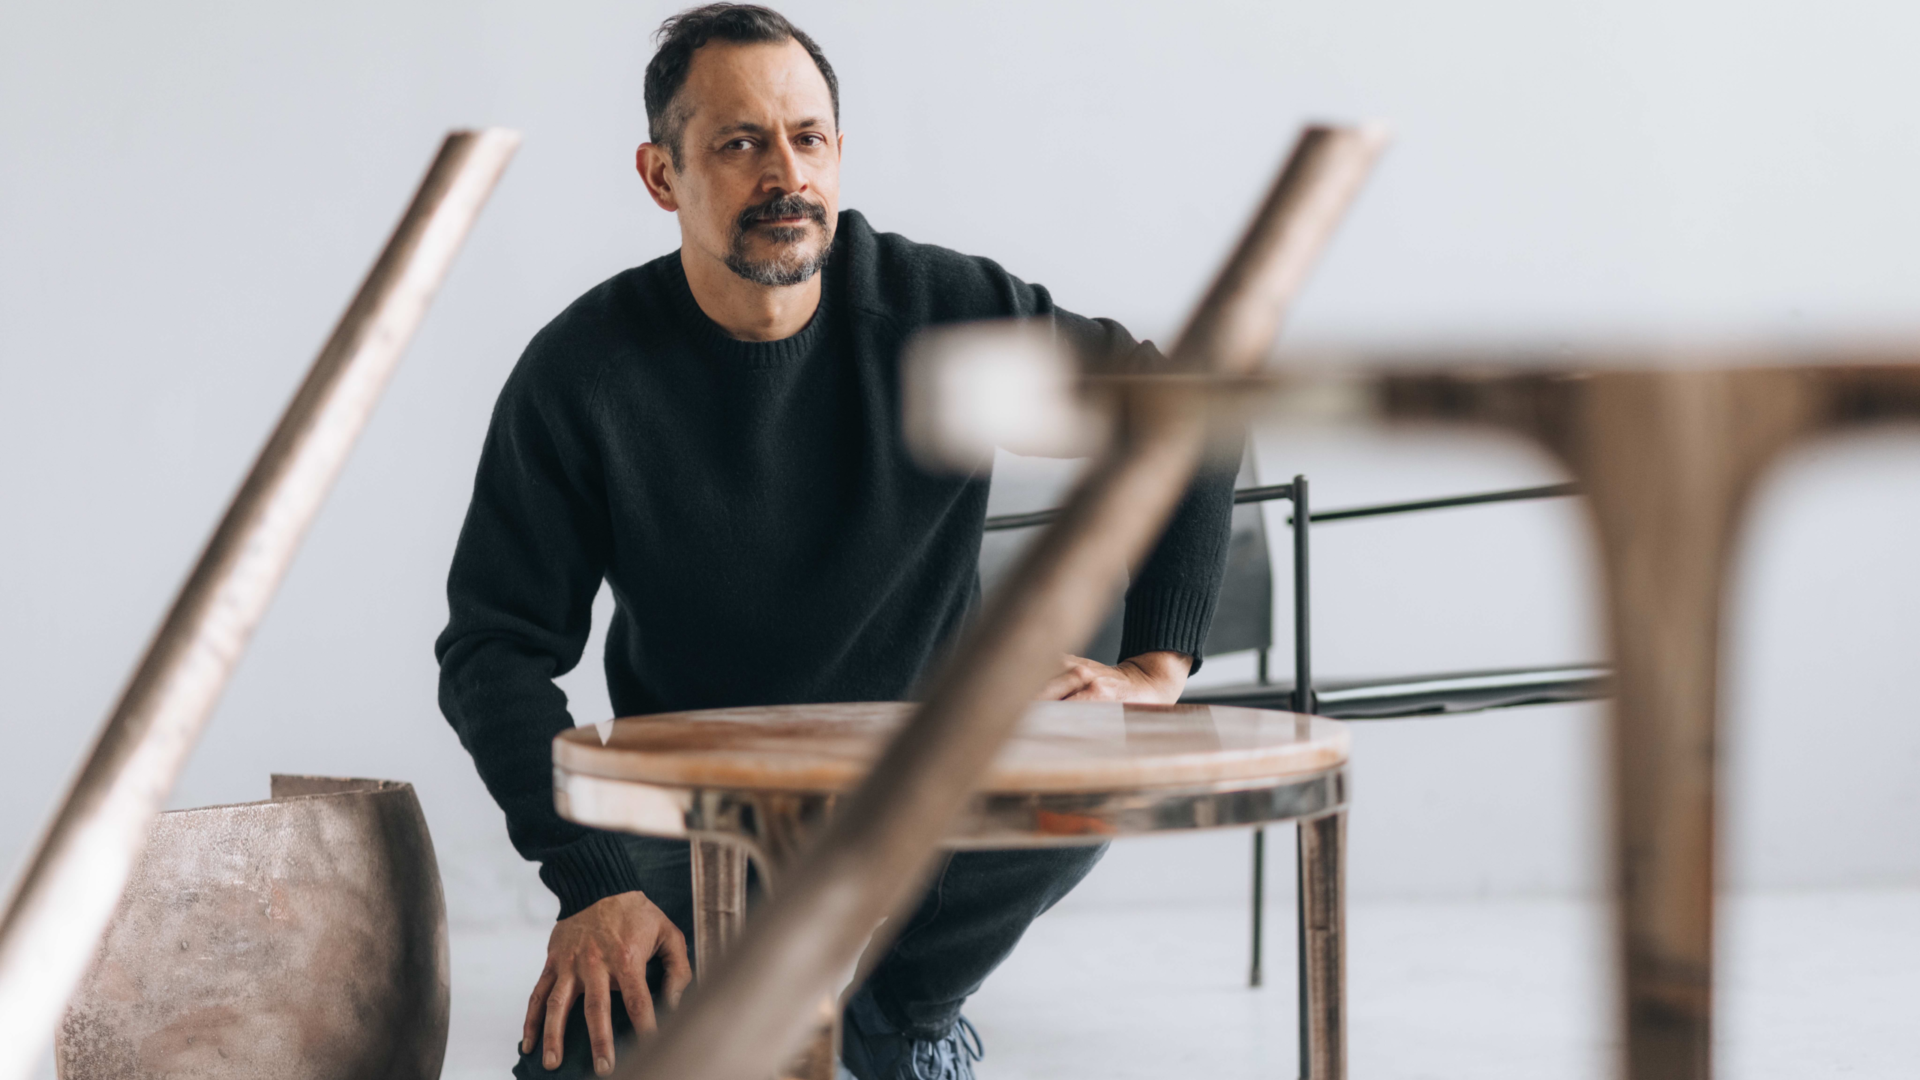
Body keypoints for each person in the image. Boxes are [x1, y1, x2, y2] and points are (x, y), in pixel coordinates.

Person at [435, 5, 1235, 1078]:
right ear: (661, 175)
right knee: (582, 1062)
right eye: (739, 142)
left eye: (808, 138)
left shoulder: (943, 315)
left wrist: (1155, 668)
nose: (785, 173)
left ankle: (900, 1019)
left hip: (918, 797)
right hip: (701, 814)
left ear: (840, 153)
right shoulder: (586, 374)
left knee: (1083, 763)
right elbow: (495, 650)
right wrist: (596, 880)